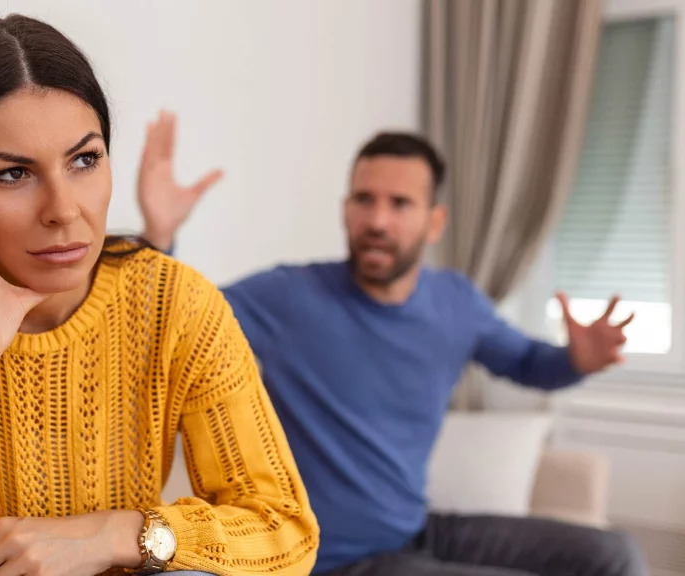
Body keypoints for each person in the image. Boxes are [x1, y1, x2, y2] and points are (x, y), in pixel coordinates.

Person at [0, 16, 319, 576]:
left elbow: (284, 530)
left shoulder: (175, 303)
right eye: (14, 173)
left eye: (84, 160)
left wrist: (117, 533)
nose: (64, 210)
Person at [138, 116, 646, 576]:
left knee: (613, 555)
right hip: (334, 560)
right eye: (364, 199)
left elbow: (531, 364)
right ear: (345, 210)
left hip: (415, 532)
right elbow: (176, 321)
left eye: (399, 203)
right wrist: (159, 237)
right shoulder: (289, 296)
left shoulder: (457, 303)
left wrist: (577, 359)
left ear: (434, 221)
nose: (377, 220)